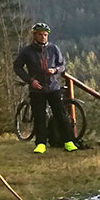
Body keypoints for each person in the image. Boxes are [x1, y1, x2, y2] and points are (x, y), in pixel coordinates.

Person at [13, 22, 77, 153]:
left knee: (61, 115)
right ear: (34, 36)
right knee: (39, 116)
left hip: (53, 87)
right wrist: (30, 80)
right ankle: (41, 143)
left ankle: (68, 142)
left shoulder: (53, 49)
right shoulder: (27, 51)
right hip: (37, 89)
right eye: (40, 35)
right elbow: (17, 67)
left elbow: (62, 65)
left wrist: (55, 70)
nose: (43, 37)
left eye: (45, 35)